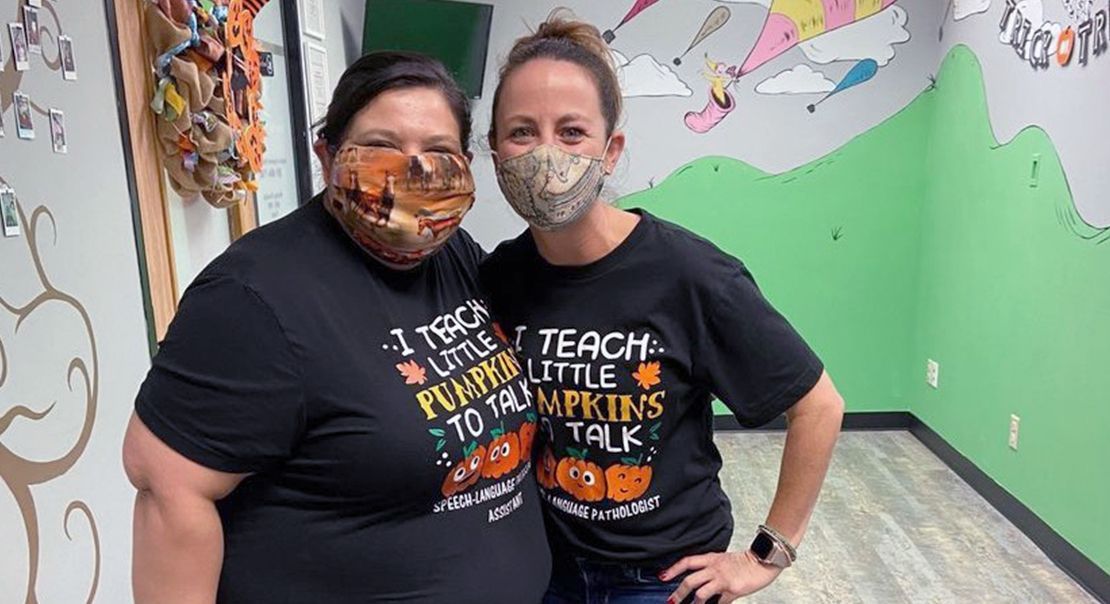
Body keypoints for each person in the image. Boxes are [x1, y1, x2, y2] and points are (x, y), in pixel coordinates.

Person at [123, 51, 550, 603]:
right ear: (327, 155)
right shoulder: (253, 297)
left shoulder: (453, 256)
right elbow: (166, 487)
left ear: (465, 164)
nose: (414, 169)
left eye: (438, 151)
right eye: (381, 145)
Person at [480, 13, 845, 604]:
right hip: (545, 569)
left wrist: (765, 556)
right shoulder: (498, 278)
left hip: (663, 582)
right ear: (494, 152)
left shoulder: (691, 275)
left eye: (572, 132)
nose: (545, 154)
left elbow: (819, 406)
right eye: (522, 132)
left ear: (610, 149)